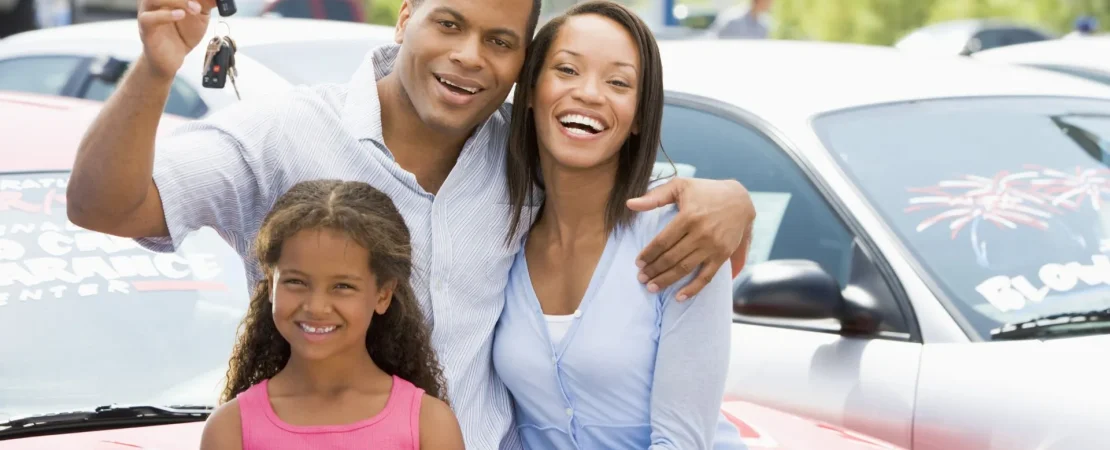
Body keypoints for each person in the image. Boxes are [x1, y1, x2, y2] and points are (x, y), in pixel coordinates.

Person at [65, 0, 758, 446]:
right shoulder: (285, 131)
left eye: (499, 41)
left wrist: (730, 198)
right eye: (449, 24)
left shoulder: (518, 157)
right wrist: (156, 71)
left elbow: (608, 181)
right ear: (405, 18)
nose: (468, 56)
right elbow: (104, 206)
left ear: (519, 64)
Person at [491, 2, 743, 449]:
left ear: (639, 117)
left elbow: (683, 441)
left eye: (618, 82)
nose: (589, 93)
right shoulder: (499, 233)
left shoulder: (682, 234)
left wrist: (737, 198)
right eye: (567, 70)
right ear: (529, 90)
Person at [199, 179, 464, 450]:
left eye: (342, 287)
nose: (316, 307)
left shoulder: (428, 424)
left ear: (383, 295)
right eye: (296, 282)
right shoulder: (231, 429)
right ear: (270, 284)